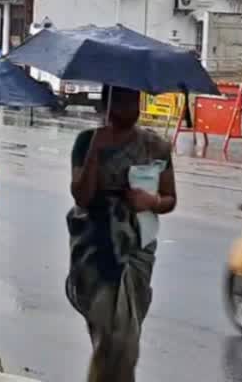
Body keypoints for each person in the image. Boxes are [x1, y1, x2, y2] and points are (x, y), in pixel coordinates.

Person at [67, 85, 177, 382]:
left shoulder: (156, 147)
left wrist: (150, 201)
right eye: (121, 101)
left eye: (133, 101)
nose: (128, 108)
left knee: (125, 339)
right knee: (108, 334)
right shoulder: (86, 141)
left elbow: (170, 198)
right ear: (106, 104)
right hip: (96, 251)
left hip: (137, 250)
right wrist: (95, 151)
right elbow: (82, 196)